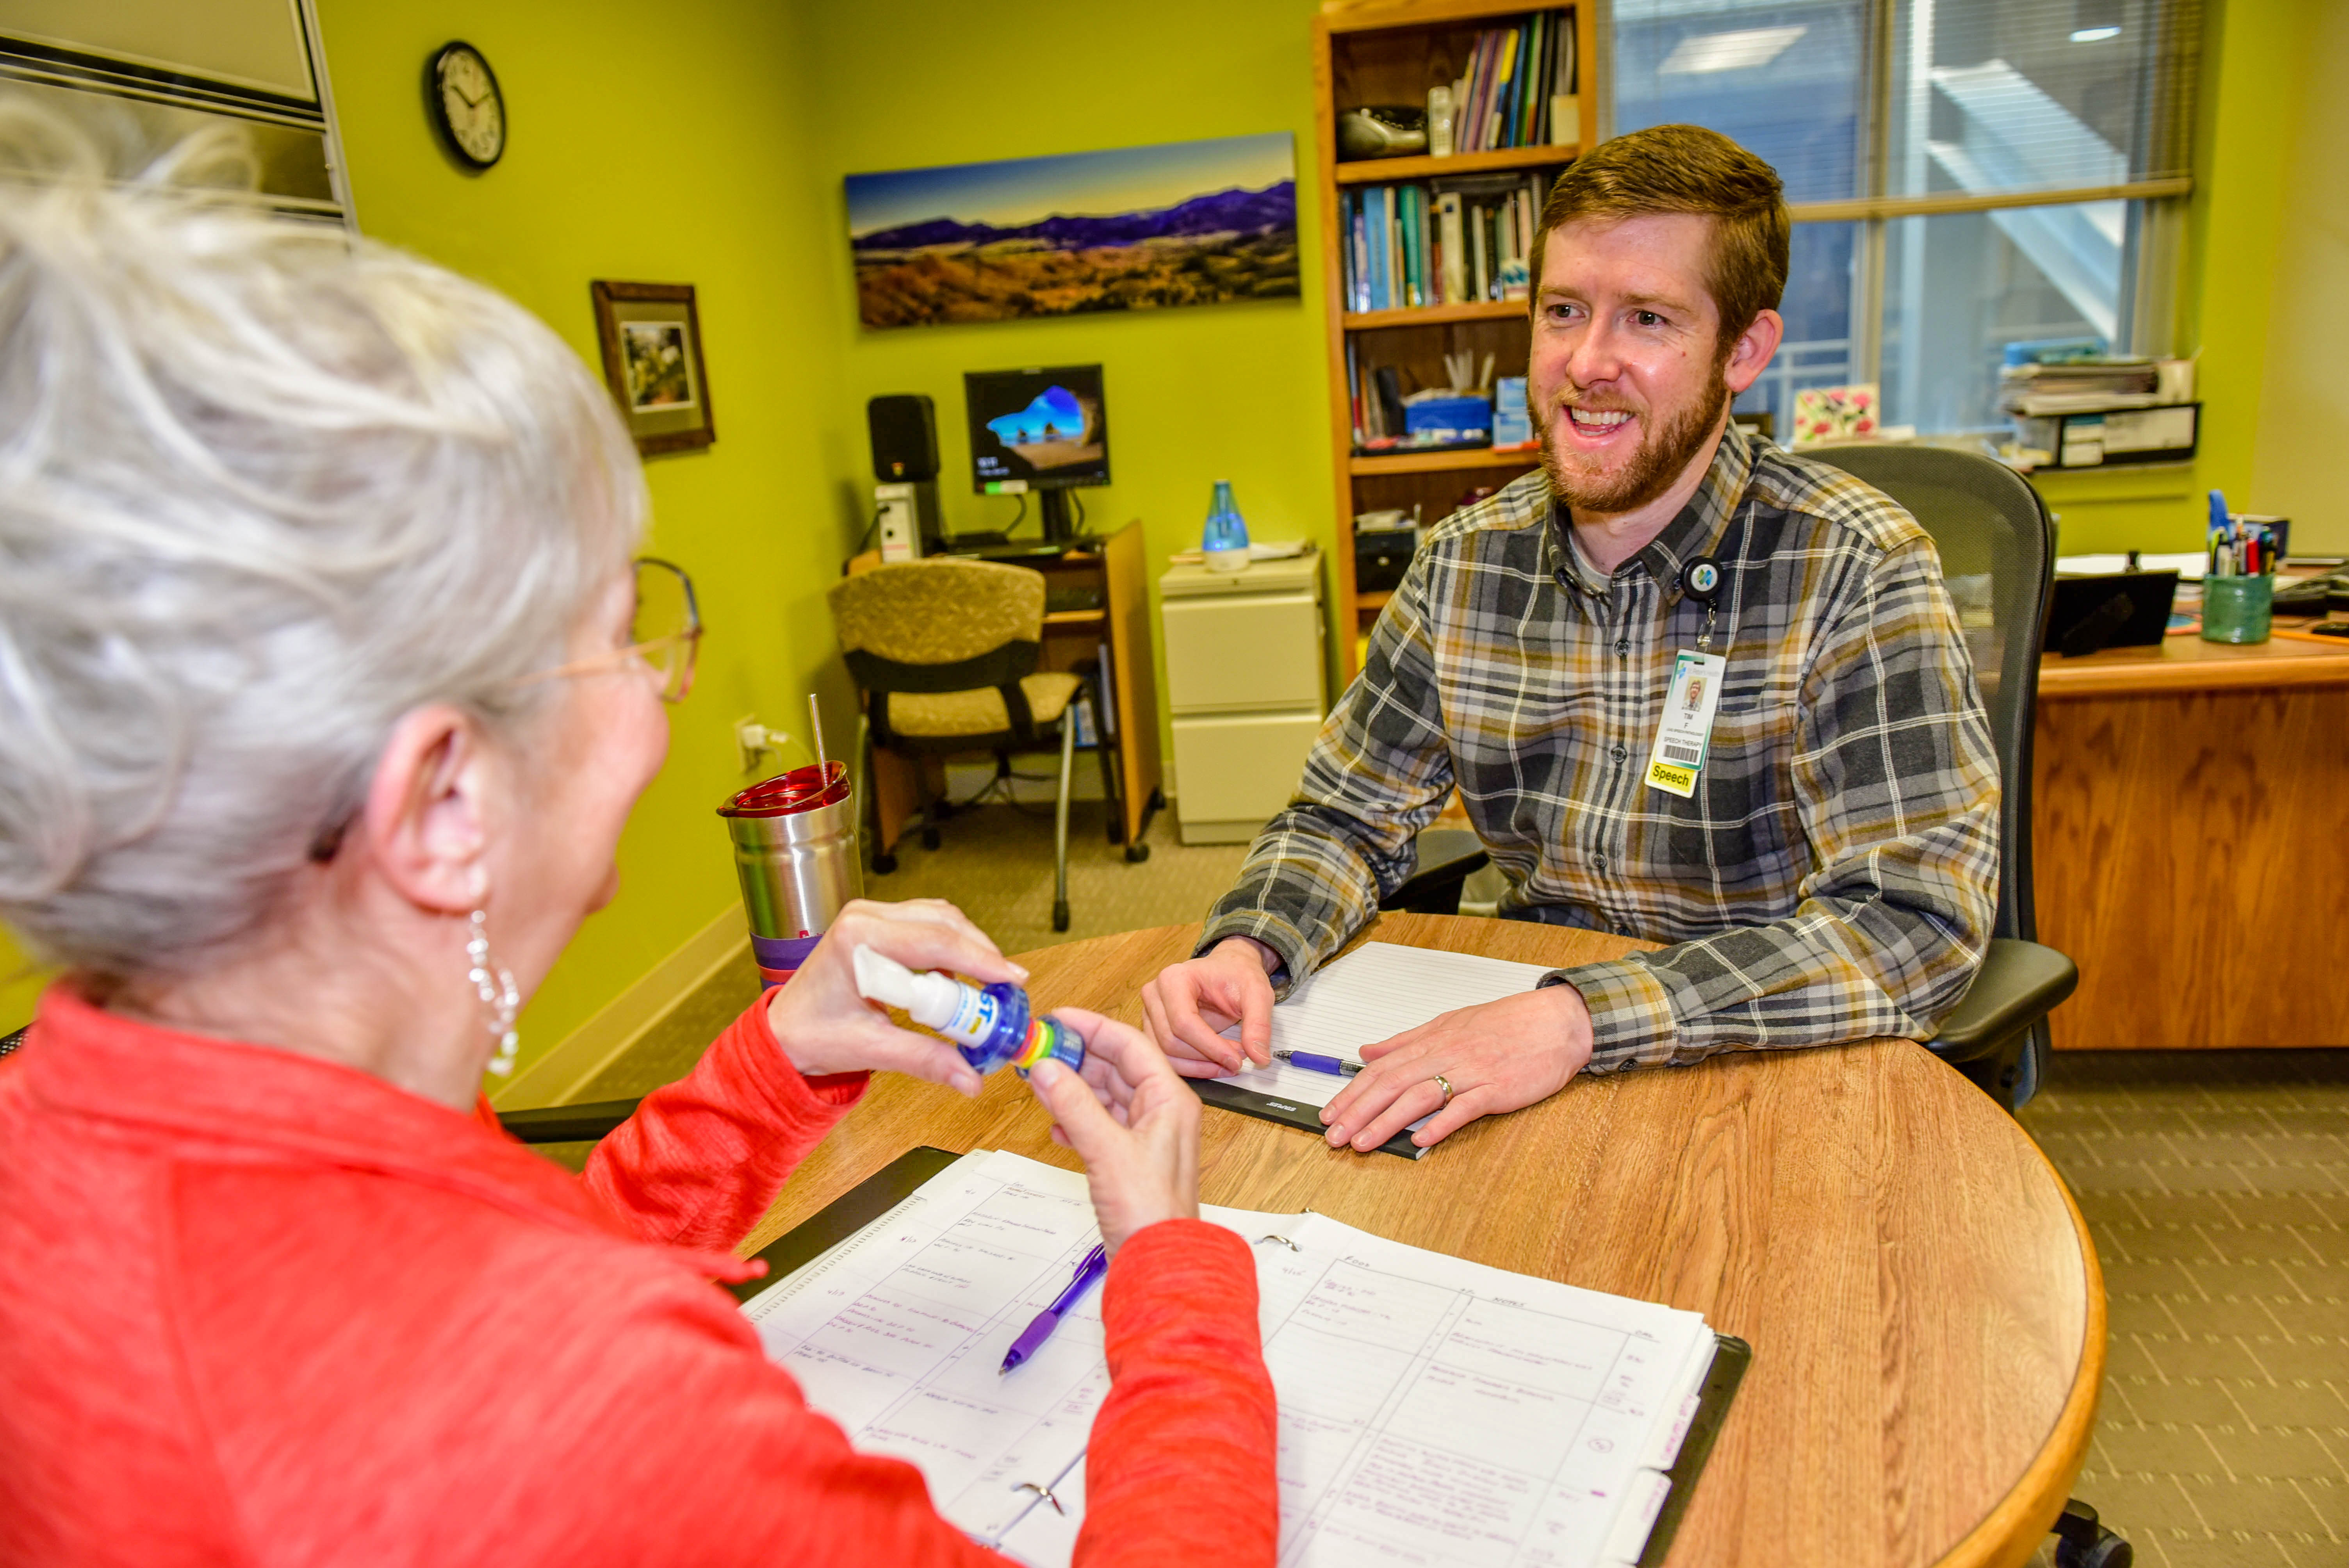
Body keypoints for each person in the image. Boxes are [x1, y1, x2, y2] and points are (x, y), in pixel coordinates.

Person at [0, 117, 1275, 1566]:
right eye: (619, 636)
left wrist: (772, 1059)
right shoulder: (557, 1418)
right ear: (441, 805)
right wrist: (1171, 1273)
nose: (668, 686)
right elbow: (529, 1372)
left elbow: (511, 1257)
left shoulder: (116, 1124)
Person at [1144, 124, 2000, 1155]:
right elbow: (1345, 815)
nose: (1588, 364)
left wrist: (1577, 1017)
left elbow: (1911, 928)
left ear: (1745, 349)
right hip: (1529, 1061)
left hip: (1762, 1062)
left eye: (1647, 318)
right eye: (1563, 311)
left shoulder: (1857, 571)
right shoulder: (1465, 563)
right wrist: (1252, 946)